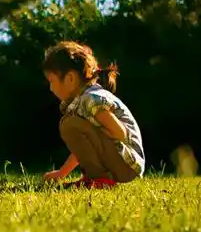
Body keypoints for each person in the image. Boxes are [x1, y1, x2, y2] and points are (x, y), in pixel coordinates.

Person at [40, 41, 145, 189]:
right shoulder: (83, 100)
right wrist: (61, 173)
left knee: (69, 125)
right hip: (122, 163)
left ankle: (101, 180)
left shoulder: (91, 99)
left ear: (70, 78)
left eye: (52, 81)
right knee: (71, 124)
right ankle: (95, 178)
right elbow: (84, 146)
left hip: (127, 164)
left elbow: (120, 132)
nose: (51, 88)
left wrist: (95, 134)